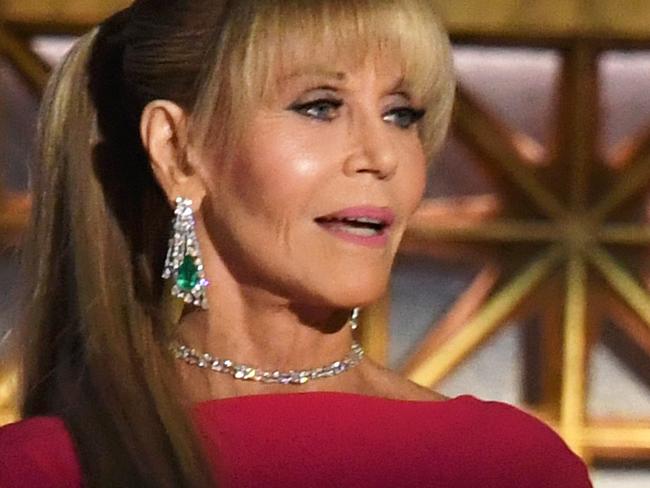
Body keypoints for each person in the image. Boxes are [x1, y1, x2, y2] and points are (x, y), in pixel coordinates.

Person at [0, 0, 592, 486]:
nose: (382, 157)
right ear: (178, 150)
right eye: (320, 106)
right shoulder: (45, 470)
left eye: (401, 115)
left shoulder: (510, 466)